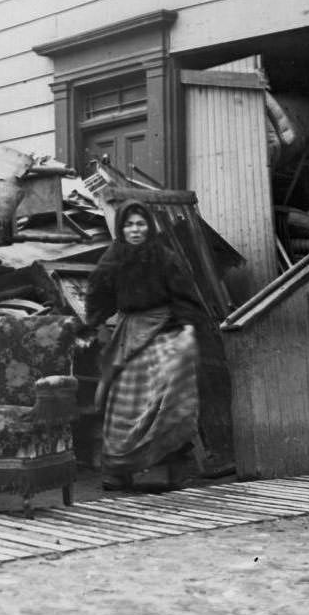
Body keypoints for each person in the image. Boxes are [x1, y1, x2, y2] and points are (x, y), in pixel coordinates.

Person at [85, 198, 206, 490]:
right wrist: (94, 322)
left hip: (165, 327)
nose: (135, 230)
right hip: (130, 330)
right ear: (121, 228)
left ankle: (178, 463)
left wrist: (187, 329)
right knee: (123, 396)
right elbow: (98, 293)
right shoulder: (114, 258)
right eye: (129, 224)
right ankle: (118, 470)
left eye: (140, 224)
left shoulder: (165, 257)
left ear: (149, 227)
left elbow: (184, 297)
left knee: (171, 388)